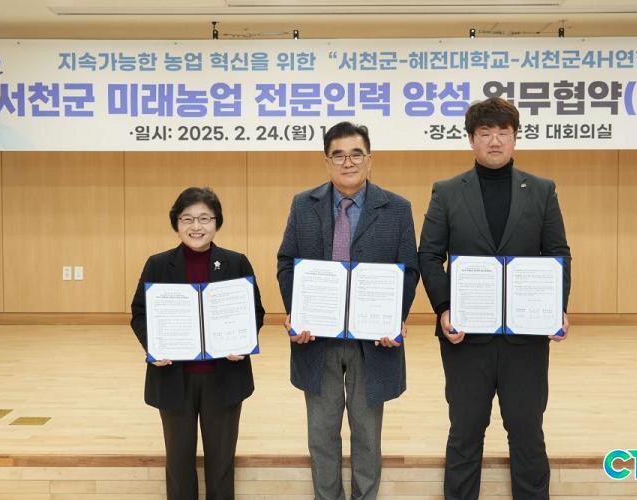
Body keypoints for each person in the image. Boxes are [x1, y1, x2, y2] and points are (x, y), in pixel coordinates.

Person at [418, 97, 571, 500]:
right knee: (465, 432)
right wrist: (444, 308)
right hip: (465, 336)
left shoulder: (542, 190)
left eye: (504, 132)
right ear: (471, 140)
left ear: (516, 137)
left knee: (527, 432)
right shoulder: (447, 192)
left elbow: (558, 253)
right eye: (485, 133)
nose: (495, 141)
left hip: (527, 336)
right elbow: (429, 255)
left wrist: (556, 308)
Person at [277, 121, 419, 500]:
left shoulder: (397, 208)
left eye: (356, 154)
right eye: (338, 155)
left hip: (373, 340)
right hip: (316, 339)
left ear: (369, 159)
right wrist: (297, 312)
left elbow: (409, 269)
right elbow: (287, 262)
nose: (348, 162)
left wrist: (394, 318)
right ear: (326, 161)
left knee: (367, 435)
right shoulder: (303, 205)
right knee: (321, 434)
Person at [130, 187, 265, 500]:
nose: (196, 226)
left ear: (217, 223)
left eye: (205, 218)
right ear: (176, 224)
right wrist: (154, 346)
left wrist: (243, 342)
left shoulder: (236, 262)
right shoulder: (158, 264)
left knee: (221, 464)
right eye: (187, 219)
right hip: (173, 378)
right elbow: (140, 313)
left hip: (224, 377)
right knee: (178, 464)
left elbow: (255, 312)